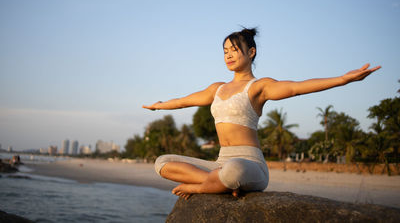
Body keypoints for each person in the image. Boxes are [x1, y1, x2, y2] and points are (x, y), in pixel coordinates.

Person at [142, 28, 380, 200]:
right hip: (219, 162)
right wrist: (159, 106)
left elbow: (297, 87)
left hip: (249, 163)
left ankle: (204, 186)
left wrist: (343, 79)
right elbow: (184, 101)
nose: (228, 55)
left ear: (251, 52)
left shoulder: (258, 87)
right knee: (162, 163)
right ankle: (221, 183)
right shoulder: (217, 89)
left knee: (234, 170)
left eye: (234, 50)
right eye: (225, 51)